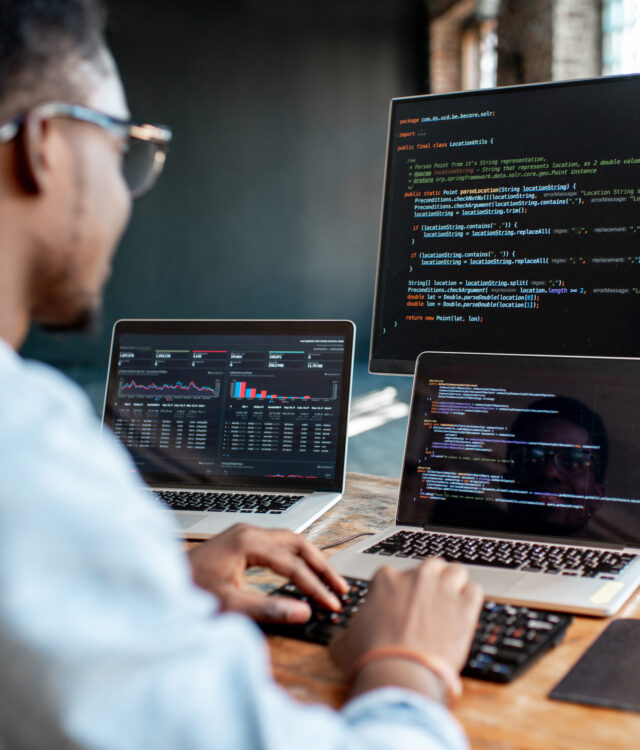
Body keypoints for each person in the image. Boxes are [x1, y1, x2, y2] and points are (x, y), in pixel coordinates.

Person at [0, 2, 483, 748]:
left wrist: (154, 594)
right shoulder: (28, 455)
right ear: (44, 147)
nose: (128, 194)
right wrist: (407, 665)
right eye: (124, 148)